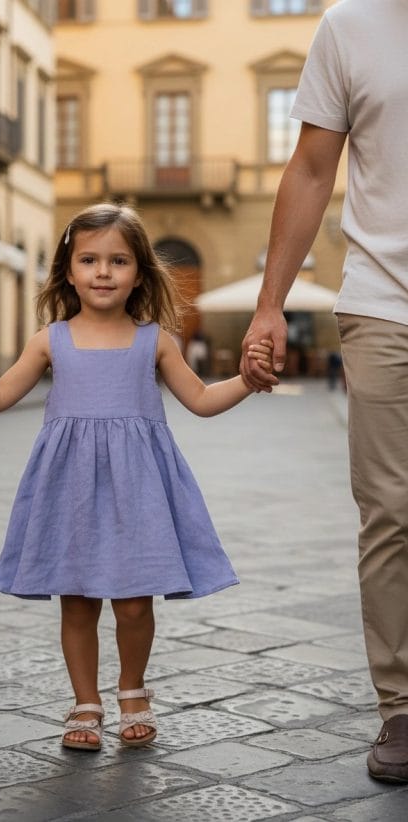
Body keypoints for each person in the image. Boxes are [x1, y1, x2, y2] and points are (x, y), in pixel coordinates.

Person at [0, 202, 273, 750]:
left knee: (136, 602)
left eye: (118, 260)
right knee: (79, 599)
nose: (103, 271)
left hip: (139, 490)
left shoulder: (154, 340)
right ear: (69, 270)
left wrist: (249, 381)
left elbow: (203, 401)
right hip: (70, 489)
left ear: (139, 272)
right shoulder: (50, 339)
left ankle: (132, 688)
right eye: (89, 259)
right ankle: (85, 701)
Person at [240, 0, 408, 784]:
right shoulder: (350, 25)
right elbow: (312, 169)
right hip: (384, 300)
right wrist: (270, 303)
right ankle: (401, 706)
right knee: (391, 508)